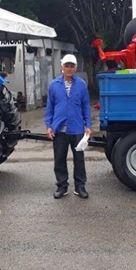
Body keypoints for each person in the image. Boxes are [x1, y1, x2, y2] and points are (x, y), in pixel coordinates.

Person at [44, 54, 92, 199]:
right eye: (67, 66)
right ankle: (62, 186)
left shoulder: (81, 85)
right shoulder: (54, 85)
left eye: (72, 66)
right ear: (62, 67)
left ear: (75, 68)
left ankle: (80, 186)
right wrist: (49, 126)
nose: (69, 69)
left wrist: (88, 125)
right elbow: (50, 107)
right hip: (59, 129)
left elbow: (86, 106)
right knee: (59, 159)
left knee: (79, 159)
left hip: (77, 129)